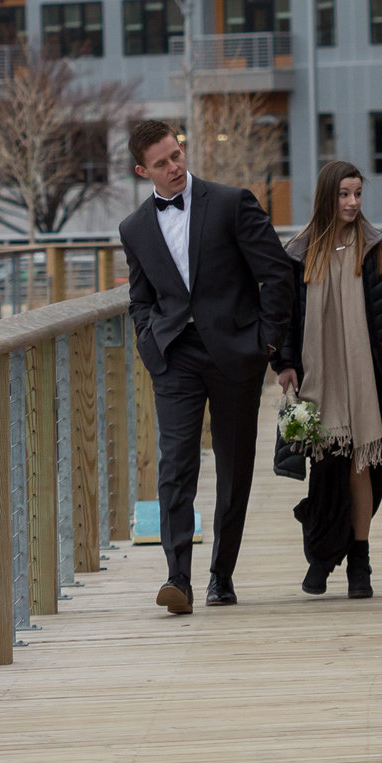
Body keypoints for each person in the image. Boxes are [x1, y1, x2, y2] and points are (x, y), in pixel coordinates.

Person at [118, 119, 292, 616]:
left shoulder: (232, 203)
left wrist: (266, 342)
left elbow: (276, 273)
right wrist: (151, 346)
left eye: (176, 155)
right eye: (161, 163)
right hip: (175, 357)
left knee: (235, 466)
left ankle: (221, 574)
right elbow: (140, 299)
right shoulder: (134, 228)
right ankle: (178, 578)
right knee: (176, 464)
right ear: (141, 170)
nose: (174, 167)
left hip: (237, 351)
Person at [278, 160, 382, 599]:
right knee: (326, 470)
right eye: (344, 194)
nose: (351, 203)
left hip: (366, 374)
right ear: (328, 196)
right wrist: (285, 363)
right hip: (318, 376)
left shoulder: (376, 247)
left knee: (364, 468)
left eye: (357, 194)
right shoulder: (298, 251)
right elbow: (286, 317)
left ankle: (359, 563)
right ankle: (323, 555)